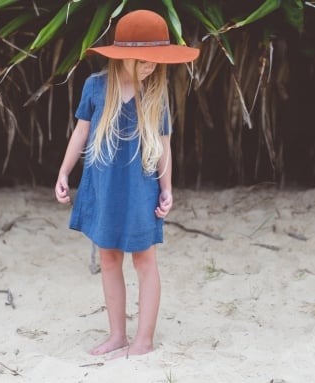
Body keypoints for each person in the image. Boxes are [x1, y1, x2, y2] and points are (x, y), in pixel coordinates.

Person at [55, 9, 199, 358]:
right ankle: (117, 334)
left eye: (157, 61)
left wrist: (167, 188)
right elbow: (81, 132)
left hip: (139, 189)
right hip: (103, 186)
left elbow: (164, 145)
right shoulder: (96, 87)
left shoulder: (155, 94)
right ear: (125, 57)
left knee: (144, 261)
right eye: (146, 60)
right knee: (108, 259)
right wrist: (63, 172)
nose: (152, 66)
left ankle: (144, 340)